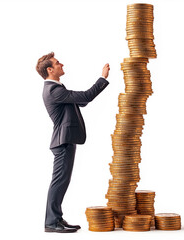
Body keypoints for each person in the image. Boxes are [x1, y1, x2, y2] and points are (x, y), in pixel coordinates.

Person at [36, 52, 110, 233]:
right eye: (57, 63)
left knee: (62, 181)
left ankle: (57, 219)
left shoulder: (57, 88)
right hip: (62, 142)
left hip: (65, 140)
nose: (62, 64)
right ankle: (52, 222)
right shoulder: (53, 90)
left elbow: (80, 102)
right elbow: (86, 96)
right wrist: (102, 78)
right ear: (50, 69)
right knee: (59, 181)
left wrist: (83, 97)